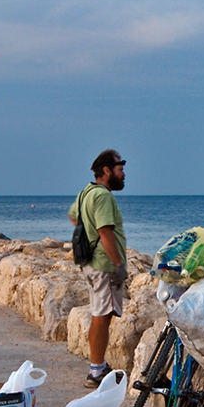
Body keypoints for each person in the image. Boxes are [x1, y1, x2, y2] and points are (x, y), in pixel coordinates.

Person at [68, 149, 129, 388]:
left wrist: (88, 236)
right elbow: (105, 232)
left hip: (91, 263)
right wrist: (117, 264)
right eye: (120, 169)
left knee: (99, 314)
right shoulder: (103, 196)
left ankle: (98, 366)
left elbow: (74, 217)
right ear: (106, 170)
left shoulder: (86, 192)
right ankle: (96, 371)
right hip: (104, 265)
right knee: (103, 317)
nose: (123, 174)